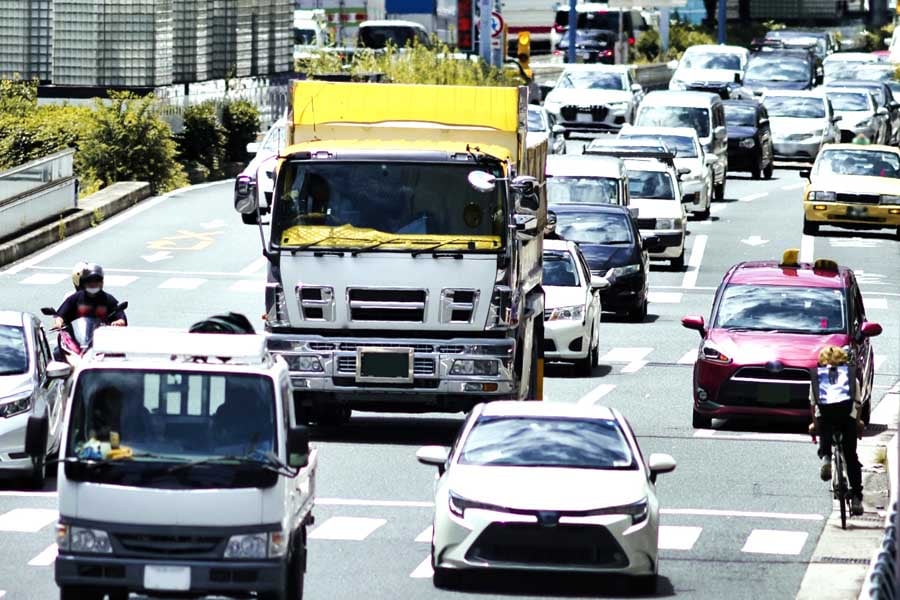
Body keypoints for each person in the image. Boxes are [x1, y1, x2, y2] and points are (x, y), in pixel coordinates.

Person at [808, 345, 865, 516]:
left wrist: (814, 424)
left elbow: (813, 405)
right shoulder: (851, 378)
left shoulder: (818, 378)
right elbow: (858, 403)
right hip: (847, 419)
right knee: (851, 457)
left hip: (825, 419)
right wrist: (857, 422)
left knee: (824, 424)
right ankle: (856, 497)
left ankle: (826, 456)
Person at [53, 263, 127, 330]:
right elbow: (61, 315)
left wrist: (119, 322)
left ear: (102, 282)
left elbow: (120, 317)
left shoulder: (109, 299)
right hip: (76, 338)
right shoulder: (74, 298)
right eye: (90, 280)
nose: (93, 284)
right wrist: (58, 322)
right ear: (84, 282)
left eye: (97, 280)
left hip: (102, 339)